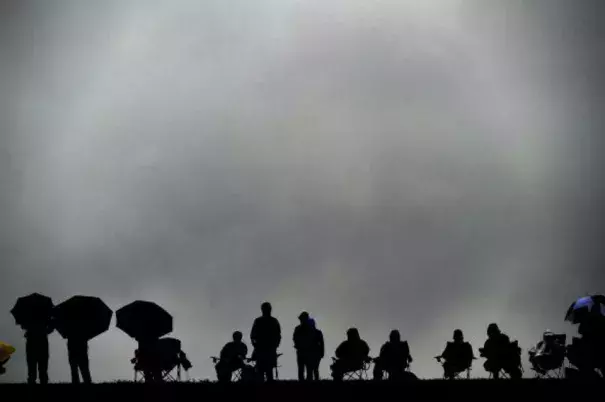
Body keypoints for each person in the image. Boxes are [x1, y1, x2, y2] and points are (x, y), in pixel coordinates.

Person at [250, 302, 281, 381]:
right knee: (262, 371)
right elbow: (253, 335)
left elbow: (278, 335)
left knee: (268, 370)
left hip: (268, 349)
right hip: (262, 349)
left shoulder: (272, 321)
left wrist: (275, 345)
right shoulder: (261, 321)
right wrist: (255, 345)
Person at [25, 319, 53, 384]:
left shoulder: (28, 313)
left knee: (32, 366)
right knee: (43, 366)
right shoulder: (45, 312)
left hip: (32, 340)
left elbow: (23, 325)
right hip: (42, 340)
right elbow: (51, 326)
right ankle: (43, 381)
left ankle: (33, 382)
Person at [293, 312, 316, 381]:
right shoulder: (310, 329)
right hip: (304, 351)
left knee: (306, 369)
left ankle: (304, 384)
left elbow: (295, 338)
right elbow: (295, 338)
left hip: (305, 351)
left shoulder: (299, 328)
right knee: (304, 369)